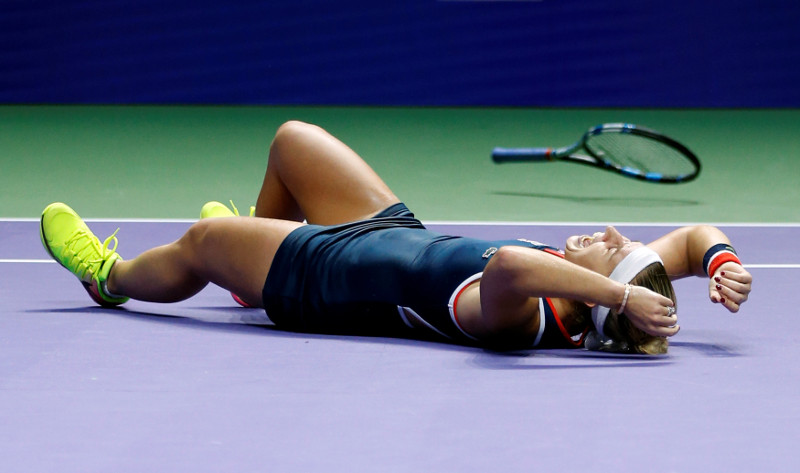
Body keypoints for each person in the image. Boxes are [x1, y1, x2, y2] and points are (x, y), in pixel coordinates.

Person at [39, 121, 752, 354]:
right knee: (293, 141)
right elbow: (691, 238)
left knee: (203, 236)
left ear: (600, 298)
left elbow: (508, 265)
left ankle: (108, 276)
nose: (610, 231)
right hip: (390, 229)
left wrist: (622, 291)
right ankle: (241, 275)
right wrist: (719, 262)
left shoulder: (520, 319)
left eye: (613, 244)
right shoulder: (589, 291)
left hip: (321, 276)